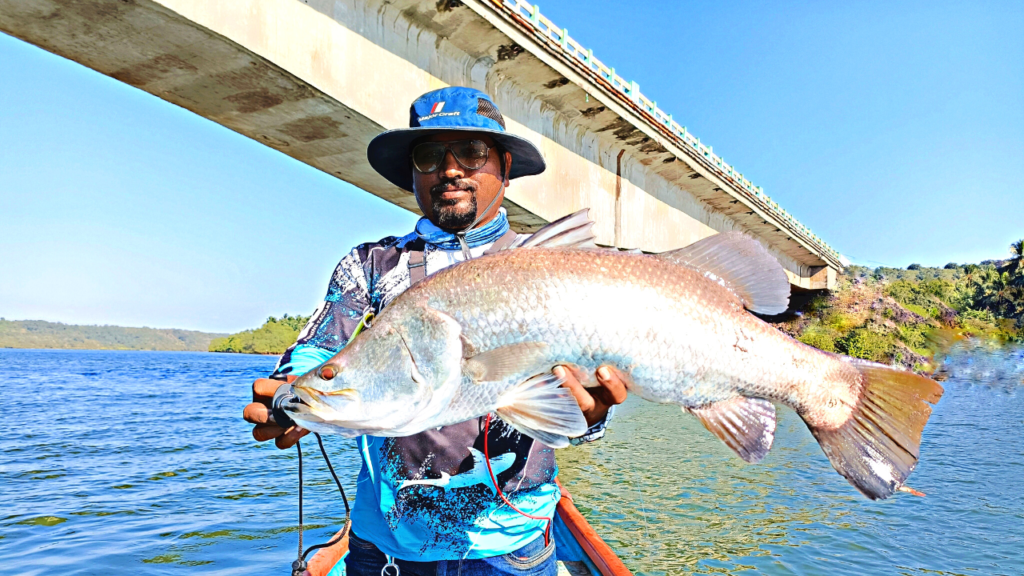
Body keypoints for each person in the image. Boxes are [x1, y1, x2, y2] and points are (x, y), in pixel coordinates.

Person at [243, 86, 628, 576]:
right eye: (429, 156)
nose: (450, 170)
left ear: (505, 169)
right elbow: (314, 352)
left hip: (513, 545)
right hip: (385, 544)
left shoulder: (557, 269)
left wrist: (591, 418)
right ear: (413, 175)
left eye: (472, 153)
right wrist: (293, 397)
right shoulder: (370, 265)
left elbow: (587, 399)